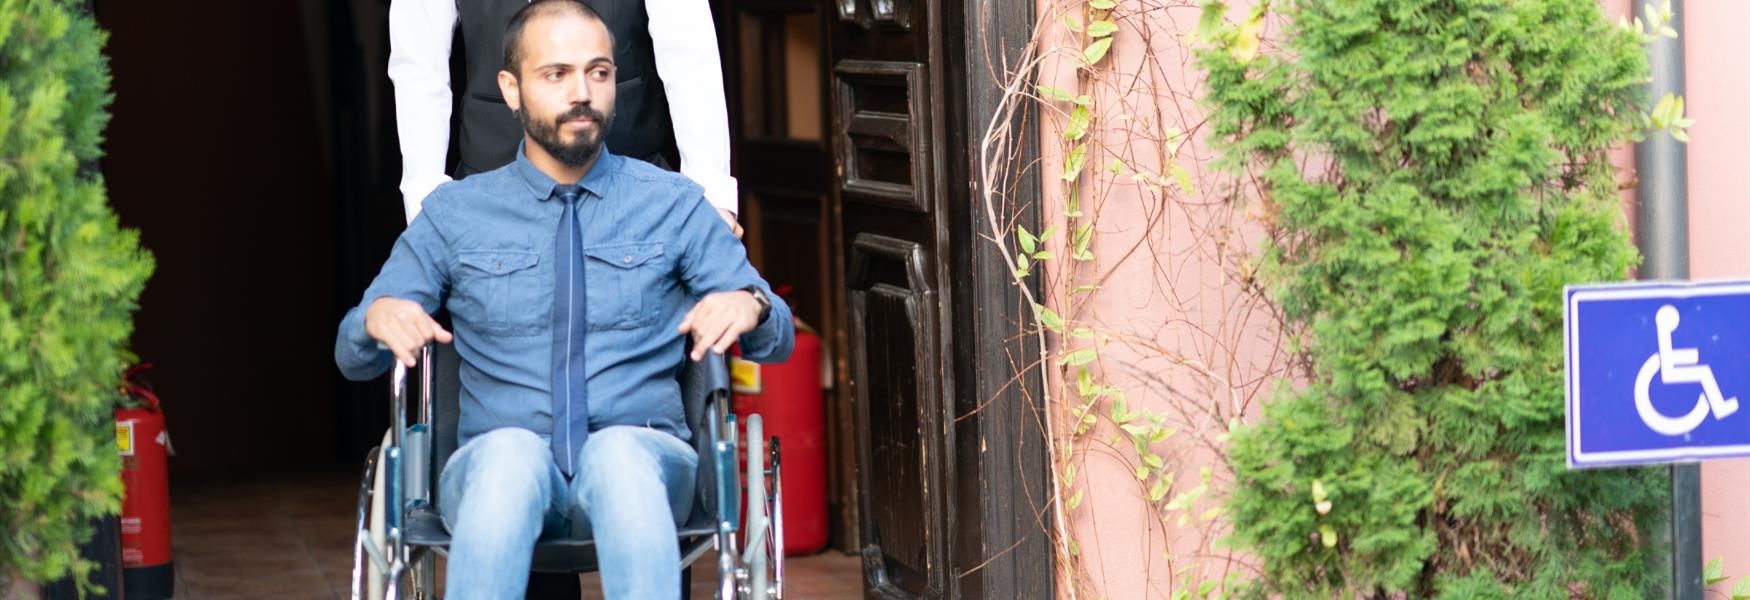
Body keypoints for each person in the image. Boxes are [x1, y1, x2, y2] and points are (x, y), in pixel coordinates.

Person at [336, 2, 792, 597]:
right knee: (507, 461)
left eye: (598, 73)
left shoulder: (675, 205)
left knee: (620, 458)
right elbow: (354, 352)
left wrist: (752, 305)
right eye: (556, 74)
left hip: (647, 458)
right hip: (498, 467)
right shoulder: (453, 215)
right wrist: (375, 318)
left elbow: (775, 331)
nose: (582, 93)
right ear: (511, 89)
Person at [389, 0, 743, 236]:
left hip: (633, 183)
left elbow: (688, 54)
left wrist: (712, 195)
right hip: (490, 184)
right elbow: (419, 68)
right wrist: (424, 198)